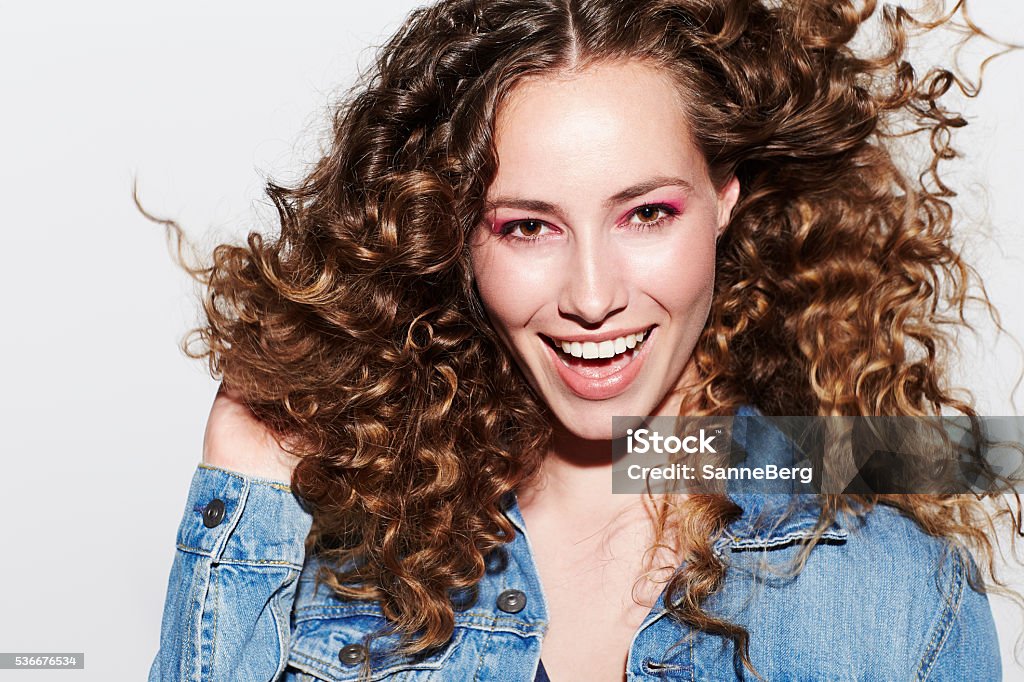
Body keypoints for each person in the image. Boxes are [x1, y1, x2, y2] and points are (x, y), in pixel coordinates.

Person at [145, 0, 1023, 680]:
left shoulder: (894, 595)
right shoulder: (344, 558)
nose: (593, 298)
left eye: (646, 213)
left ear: (725, 196)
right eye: (528, 227)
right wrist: (241, 488)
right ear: (453, 233)